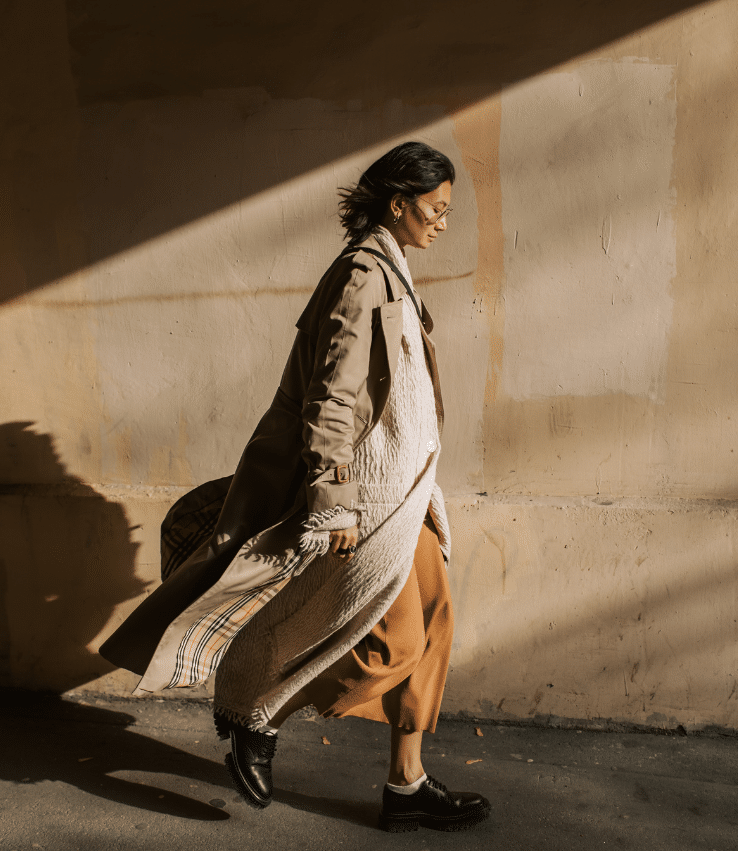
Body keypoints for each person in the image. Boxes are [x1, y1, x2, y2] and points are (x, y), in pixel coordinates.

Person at [98, 141, 490, 833]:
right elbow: (332, 397)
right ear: (398, 205)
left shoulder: (391, 271)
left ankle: (406, 783)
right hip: (369, 497)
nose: (443, 223)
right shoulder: (363, 276)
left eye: (448, 210)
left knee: (433, 624)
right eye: (435, 209)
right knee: (393, 642)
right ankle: (256, 708)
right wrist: (332, 496)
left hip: (408, 492)